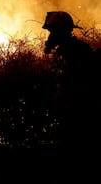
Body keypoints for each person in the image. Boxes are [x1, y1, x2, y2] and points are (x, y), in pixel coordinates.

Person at [42, 11, 96, 178]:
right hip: (67, 110)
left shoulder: (75, 52)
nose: (49, 36)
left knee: (72, 152)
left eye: (52, 32)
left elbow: (81, 83)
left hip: (76, 112)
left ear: (61, 31)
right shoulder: (66, 51)